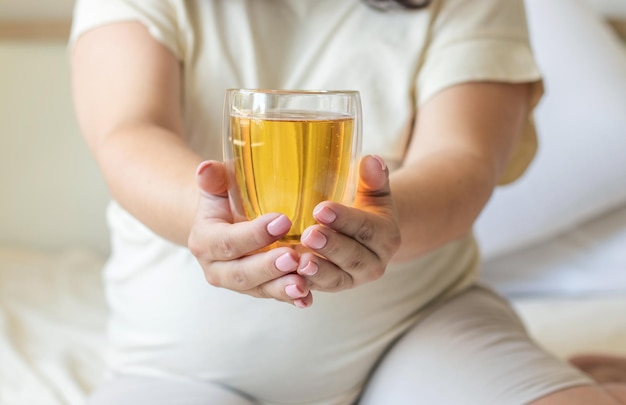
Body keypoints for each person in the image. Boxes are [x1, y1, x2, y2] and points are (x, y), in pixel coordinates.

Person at [69, 0, 626, 403]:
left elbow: (463, 163)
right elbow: (130, 133)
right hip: (180, 367)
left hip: (417, 331)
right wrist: (209, 217)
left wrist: (377, 224)